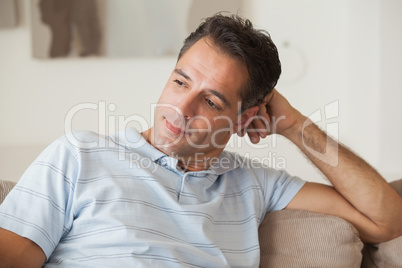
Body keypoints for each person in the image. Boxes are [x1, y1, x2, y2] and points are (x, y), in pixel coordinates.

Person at [0, 13, 401, 267]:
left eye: (211, 101)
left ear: (244, 118)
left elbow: (386, 219)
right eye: (179, 81)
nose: (181, 107)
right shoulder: (79, 155)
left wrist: (293, 124)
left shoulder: (254, 183)